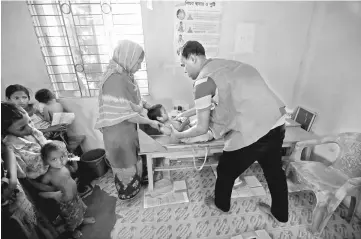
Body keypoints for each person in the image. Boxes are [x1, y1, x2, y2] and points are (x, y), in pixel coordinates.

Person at [171, 41, 289, 223]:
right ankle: (280, 215)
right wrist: (185, 113)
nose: (185, 71)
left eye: (183, 65)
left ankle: (221, 205)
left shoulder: (202, 81)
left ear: (193, 58)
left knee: (225, 170)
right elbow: (209, 104)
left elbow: (201, 128)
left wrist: (179, 135)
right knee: (274, 171)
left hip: (253, 130)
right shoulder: (229, 65)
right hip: (277, 120)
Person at [95, 40, 163, 200]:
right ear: (128, 58)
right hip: (118, 132)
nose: (139, 66)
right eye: (138, 62)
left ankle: (139, 183)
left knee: (133, 158)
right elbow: (126, 113)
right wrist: (152, 122)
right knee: (125, 163)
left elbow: (132, 102)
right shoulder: (115, 80)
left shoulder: (126, 75)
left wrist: (148, 106)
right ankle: (128, 193)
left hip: (127, 129)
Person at [40, 141, 95, 238]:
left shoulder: (63, 166)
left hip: (76, 195)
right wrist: (52, 194)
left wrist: (73, 160)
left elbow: (74, 170)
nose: (60, 161)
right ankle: (73, 230)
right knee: (71, 219)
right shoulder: (49, 175)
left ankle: (81, 221)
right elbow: (41, 190)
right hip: (67, 202)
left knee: (80, 210)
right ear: (46, 161)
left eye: (62, 157)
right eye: (54, 159)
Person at [147, 103, 213, 143]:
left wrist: (180, 119)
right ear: (159, 118)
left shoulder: (168, 119)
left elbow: (176, 122)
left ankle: (209, 125)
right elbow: (177, 131)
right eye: (164, 112)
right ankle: (210, 134)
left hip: (188, 128)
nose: (166, 112)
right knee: (205, 136)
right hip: (187, 138)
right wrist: (184, 123)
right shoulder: (164, 128)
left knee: (198, 120)